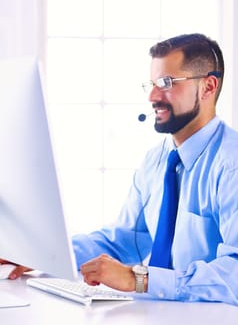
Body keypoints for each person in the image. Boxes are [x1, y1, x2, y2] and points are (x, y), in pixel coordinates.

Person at [2, 33, 238, 305]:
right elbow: (124, 240)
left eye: (166, 83)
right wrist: (40, 254)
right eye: (151, 83)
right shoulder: (156, 160)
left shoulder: (230, 165)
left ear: (208, 87)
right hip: (158, 314)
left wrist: (140, 279)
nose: (152, 95)